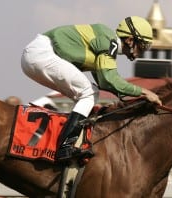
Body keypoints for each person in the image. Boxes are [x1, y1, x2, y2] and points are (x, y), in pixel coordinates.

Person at [21, 16, 162, 162]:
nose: (143, 52)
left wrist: (131, 97)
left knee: (87, 94)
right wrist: (144, 91)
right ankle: (66, 145)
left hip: (35, 56)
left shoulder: (107, 44)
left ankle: (70, 139)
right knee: (89, 93)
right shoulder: (110, 41)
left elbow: (104, 83)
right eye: (143, 46)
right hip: (41, 54)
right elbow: (110, 79)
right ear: (130, 40)